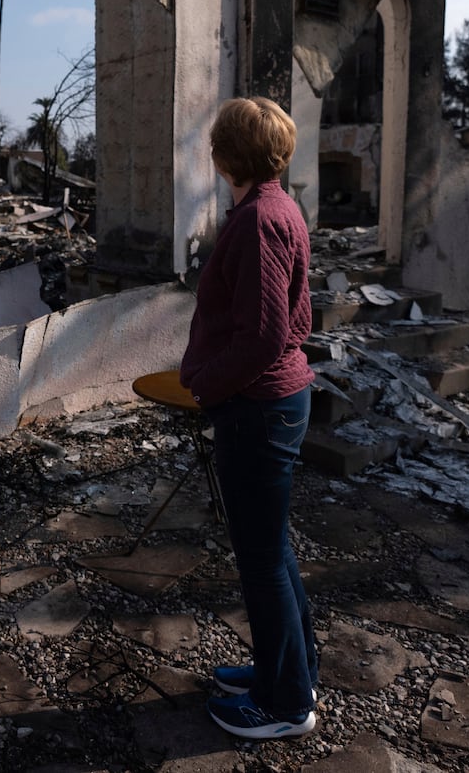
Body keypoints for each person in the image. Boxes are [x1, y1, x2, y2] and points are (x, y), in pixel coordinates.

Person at [179, 95, 319, 740]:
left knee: (261, 560)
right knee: (273, 551)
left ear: (224, 154)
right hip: (271, 401)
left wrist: (205, 386)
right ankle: (289, 669)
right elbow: (297, 319)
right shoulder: (277, 206)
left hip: (258, 407)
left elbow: (265, 335)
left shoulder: (260, 218)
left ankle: (285, 705)